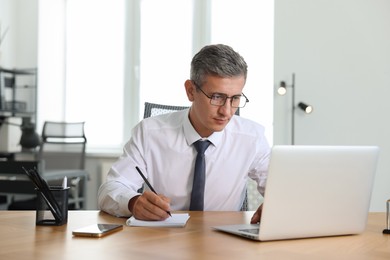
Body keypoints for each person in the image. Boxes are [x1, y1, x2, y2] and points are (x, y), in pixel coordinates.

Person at [98, 44, 270, 224]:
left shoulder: (252, 137)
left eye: (235, 98)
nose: (226, 111)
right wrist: (133, 202)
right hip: (163, 238)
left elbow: (284, 191)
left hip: (225, 240)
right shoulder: (149, 133)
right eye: (217, 97)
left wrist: (277, 205)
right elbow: (110, 189)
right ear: (190, 91)